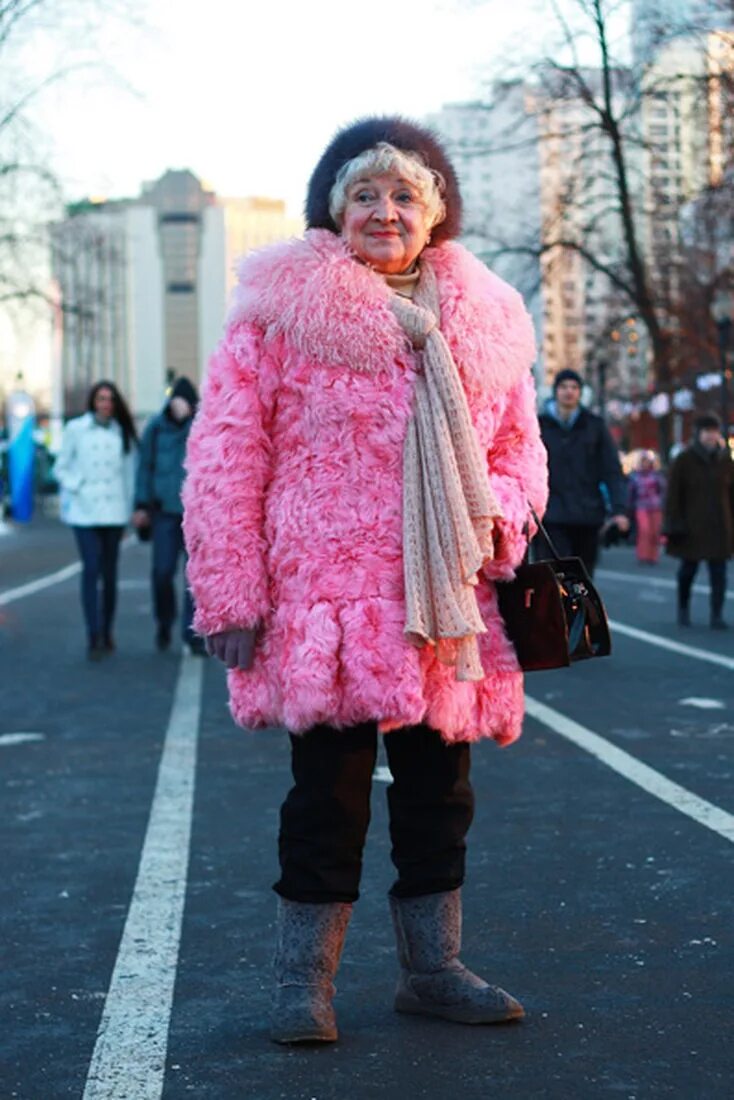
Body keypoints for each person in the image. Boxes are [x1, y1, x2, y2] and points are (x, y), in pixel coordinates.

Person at [183, 116, 548, 1045]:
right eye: (365, 195)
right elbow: (228, 453)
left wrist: (495, 519)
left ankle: (434, 970)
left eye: (404, 197)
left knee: (440, 792)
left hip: (447, 595)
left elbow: (518, 449)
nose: (385, 212)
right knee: (327, 795)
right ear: (333, 211)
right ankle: (302, 984)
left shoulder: (488, 322)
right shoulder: (277, 315)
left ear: (434, 216)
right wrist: (230, 595)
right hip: (326, 600)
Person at [54, 380, 137, 659]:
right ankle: (93, 632)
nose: (106, 404)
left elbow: (128, 474)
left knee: (110, 573)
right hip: (85, 510)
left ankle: (107, 629)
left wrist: (128, 512)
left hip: (113, 511)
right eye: (101, 398)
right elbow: (61, 467)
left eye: (110, 399)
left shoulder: (121, 432)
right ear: (93, 401)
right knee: (91, 569)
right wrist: (78, 485)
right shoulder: (75, 429)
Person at [131, 377, 205, 655]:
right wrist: (141, 504)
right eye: (176, 402)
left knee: (194, 578)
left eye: (184, 403)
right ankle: (164, 622)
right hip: (163, 513)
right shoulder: (155, 429)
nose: (178, 407)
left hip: (195, 515)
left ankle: (193, 632)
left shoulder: (200, 427)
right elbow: (144, 467)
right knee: (162, 572)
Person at [536, 368, 629, 575]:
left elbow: (612, 470)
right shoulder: (539, 426)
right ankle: (558, 609)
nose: (569, 392)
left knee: (583, 579)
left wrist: (619, 510)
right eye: (563, 387)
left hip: (587, 515)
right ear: (555, 391)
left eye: (574, 387)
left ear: (580, 392)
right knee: (555, 577)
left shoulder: (594, 426)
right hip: (551, 515)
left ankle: (581, 609)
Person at [664, 413, 734, 629]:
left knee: (719, 573)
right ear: (698, 434)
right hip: (691, 525)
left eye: (714, 431)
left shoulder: (725, 460)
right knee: (687, 571)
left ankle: (717, 614)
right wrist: (674, 524)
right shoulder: (684, 459)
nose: (711, 436)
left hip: (720, 525)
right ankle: (683, 609)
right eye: (707, 432)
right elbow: (673, 495)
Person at [627, 450, 665, 564]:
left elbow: (663, 490)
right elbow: (631, 493)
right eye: (643, 461)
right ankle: (643, 555)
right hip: (641, 506)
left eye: (647, 461)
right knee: (644, 530)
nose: (645, 464)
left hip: (655, 506)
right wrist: (628, 507)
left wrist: (663, 503)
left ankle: (653, 555)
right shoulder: (635, 477)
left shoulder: (656, 476)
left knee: (655, 531)